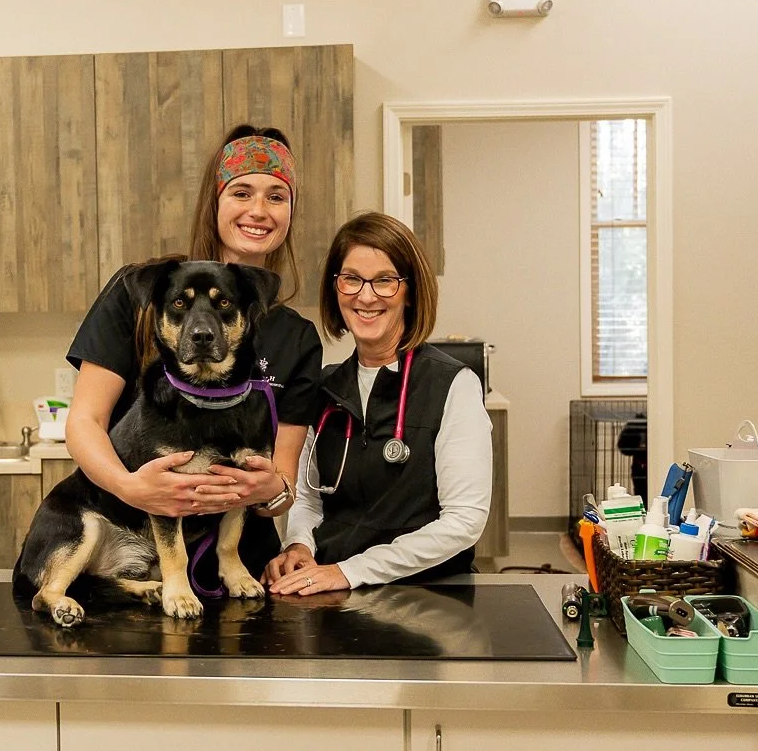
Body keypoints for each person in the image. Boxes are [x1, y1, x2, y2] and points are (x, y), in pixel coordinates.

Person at [63, 124, 323, 579]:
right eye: (241, 192)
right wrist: (131, 488)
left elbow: (282, 483)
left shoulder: (297, 337)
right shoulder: (142, 293)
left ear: (290, 213)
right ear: (215, 203)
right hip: (136, 553)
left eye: (276, 197)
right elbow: (84, 422)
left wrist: (270, 490)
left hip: (240, 565)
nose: (258, 211)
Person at [265, 211, 492, 595]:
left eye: (385, 281)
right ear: (335, 289)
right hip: (334, 594)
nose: (365, 296)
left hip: (429, 599)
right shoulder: (320, 388)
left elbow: (464, 521)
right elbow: (307, 498)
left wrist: (352, 570)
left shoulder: (453, 385)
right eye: (351, 279)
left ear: (410, 291)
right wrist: (299, 544)